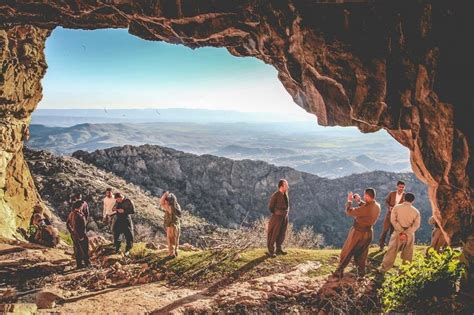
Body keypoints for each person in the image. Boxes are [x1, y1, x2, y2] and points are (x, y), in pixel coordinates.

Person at [333, 188, 381, 278]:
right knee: (362, 254)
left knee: (347, 250)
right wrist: (359, 201)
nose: (363, 196)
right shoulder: (377, 206)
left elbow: (349, 212)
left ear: (367, 196)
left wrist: (349, 200)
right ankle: (361, 274)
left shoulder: (367, 208)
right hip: (369, 233)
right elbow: (366, 208)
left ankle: (339, 271)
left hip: (358, 233)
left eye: (364, 195)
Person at [380, 192, 420, 272]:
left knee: (391, 251)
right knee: (408, 253)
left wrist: (401, 232)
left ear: (404, 198)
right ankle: (405, 271)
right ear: (413, 201)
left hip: (397, 232)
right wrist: (406, 233)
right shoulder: (416, 211)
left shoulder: (396, 207)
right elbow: (416, 225)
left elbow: (393, 220)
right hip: (409, 235)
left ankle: (384, 268)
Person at [379, 181, 406, 250]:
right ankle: (381, 246)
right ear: (397, 187)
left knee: (393, 231)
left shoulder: (405, 195)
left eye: (402, 187)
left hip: (398, 217)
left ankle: (390, 246)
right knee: (385, 230)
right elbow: (386, 202)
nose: (401, 188)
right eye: (400, 187)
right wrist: (389, 207)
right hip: (389, 215)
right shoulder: (392, 194)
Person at [267, 179, 290, 258]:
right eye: (286, 185)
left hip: (284, 217)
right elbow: (270, 207)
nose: (287, 186)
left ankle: (279, 249)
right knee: (273, 233)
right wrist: (277, 212)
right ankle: (271, 251)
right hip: (277, 217)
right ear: (281, 186)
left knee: (281, 233)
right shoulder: (276, 195)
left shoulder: (285, 194)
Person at [66, 200, 90, 269]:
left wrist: (71, 232)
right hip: (81, 235)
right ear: (80, 207)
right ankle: (87, 264)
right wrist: (80, 236)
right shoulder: (79, 215)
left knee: (77, 249)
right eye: (82, 206)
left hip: (74, 235)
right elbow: (80, 227)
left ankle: (79, 264)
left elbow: (67, 224)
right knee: (84, 249)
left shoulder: (71, 214)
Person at [160, 192, 182, 258]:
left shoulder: (169, 207)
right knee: (176, 239)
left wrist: (164, 195)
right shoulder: (177, 206)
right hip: (177, 225)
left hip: (171, 226)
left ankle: (171, 254)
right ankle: (176, 251)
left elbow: (161, 202)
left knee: (170, 239)